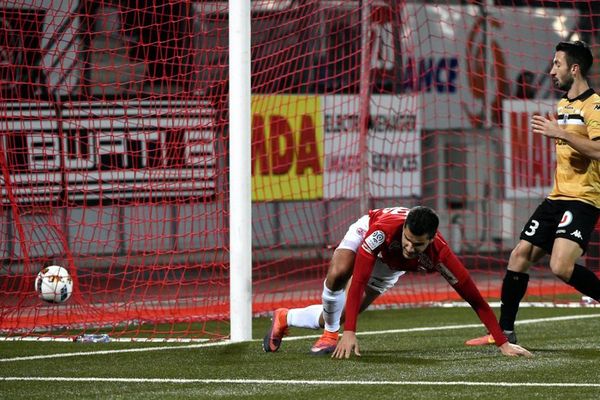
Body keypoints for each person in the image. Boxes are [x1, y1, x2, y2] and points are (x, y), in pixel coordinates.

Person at [262, 206, 532, 358]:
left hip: (390, 269)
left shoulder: (441, 255)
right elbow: (358, 279)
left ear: (431, 239)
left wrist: (502, 342)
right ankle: (330, 335)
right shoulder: (382, 232)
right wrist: (350, 333)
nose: (411, 247)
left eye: (418, 244)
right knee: (339, 272)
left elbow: (475, 299)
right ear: (403, 229)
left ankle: (286, 318)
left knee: (339, 314)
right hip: (368, 235)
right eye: (408, 239)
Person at [467, 40, 600, 347]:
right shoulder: (563, 105)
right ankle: (503, 333)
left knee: (560, 267)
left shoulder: (594, 106)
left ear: (574, 68)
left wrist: (561, 133)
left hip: (583, 199)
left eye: (557, 64)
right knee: (518, 256)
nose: (552, 70)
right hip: (557, 197)